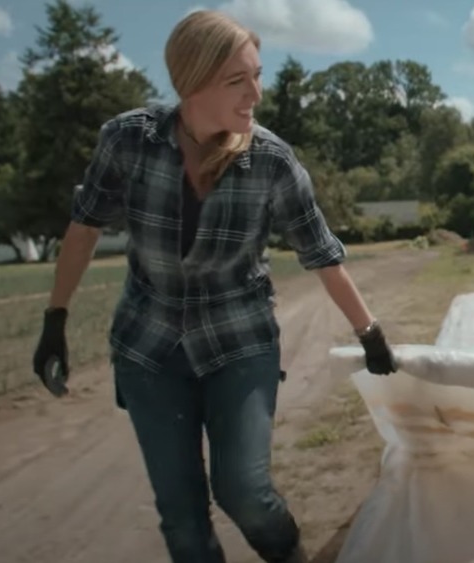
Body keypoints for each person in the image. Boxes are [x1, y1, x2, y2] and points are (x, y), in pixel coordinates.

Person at [31, 10, 397, 563]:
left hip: (239, 340)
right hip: (148, 346)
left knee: (244, 492)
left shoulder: (270, 160)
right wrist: (54, 320)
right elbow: (83, 227)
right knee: (181, 514)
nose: (255, 93)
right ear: (192, 81)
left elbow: (321, 253)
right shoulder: (129, 140)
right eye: (237, 80)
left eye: (257, 75)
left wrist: (370, 333)